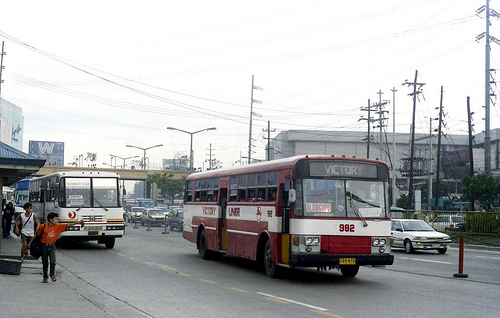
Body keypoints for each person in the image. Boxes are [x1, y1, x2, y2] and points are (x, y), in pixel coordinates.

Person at [28, 212, 84, 283]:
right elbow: (36, 235)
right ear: (51, 220)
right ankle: (45, 277)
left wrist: (77, 222)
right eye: (55, 219)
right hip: (44, 247)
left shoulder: (58, 226)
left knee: (52, 261)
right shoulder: (43, 226)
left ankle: (52, 275)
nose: (56, 220)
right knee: (45, 262)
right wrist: (30, 243)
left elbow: (68, 225)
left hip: (52, 246)